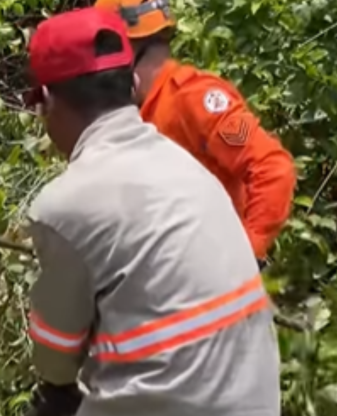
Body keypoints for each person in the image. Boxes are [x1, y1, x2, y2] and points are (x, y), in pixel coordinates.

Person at [22, 7, 280, 416]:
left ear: (49, 100)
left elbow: (55, 358)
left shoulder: (63, 205)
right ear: (132, 85)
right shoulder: (186, 164)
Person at [92, 0, 296, 268]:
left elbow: (271, 166)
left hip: (212, 279)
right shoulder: (129, 114)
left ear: (125, 48)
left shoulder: (198, 100)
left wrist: (245, 253)